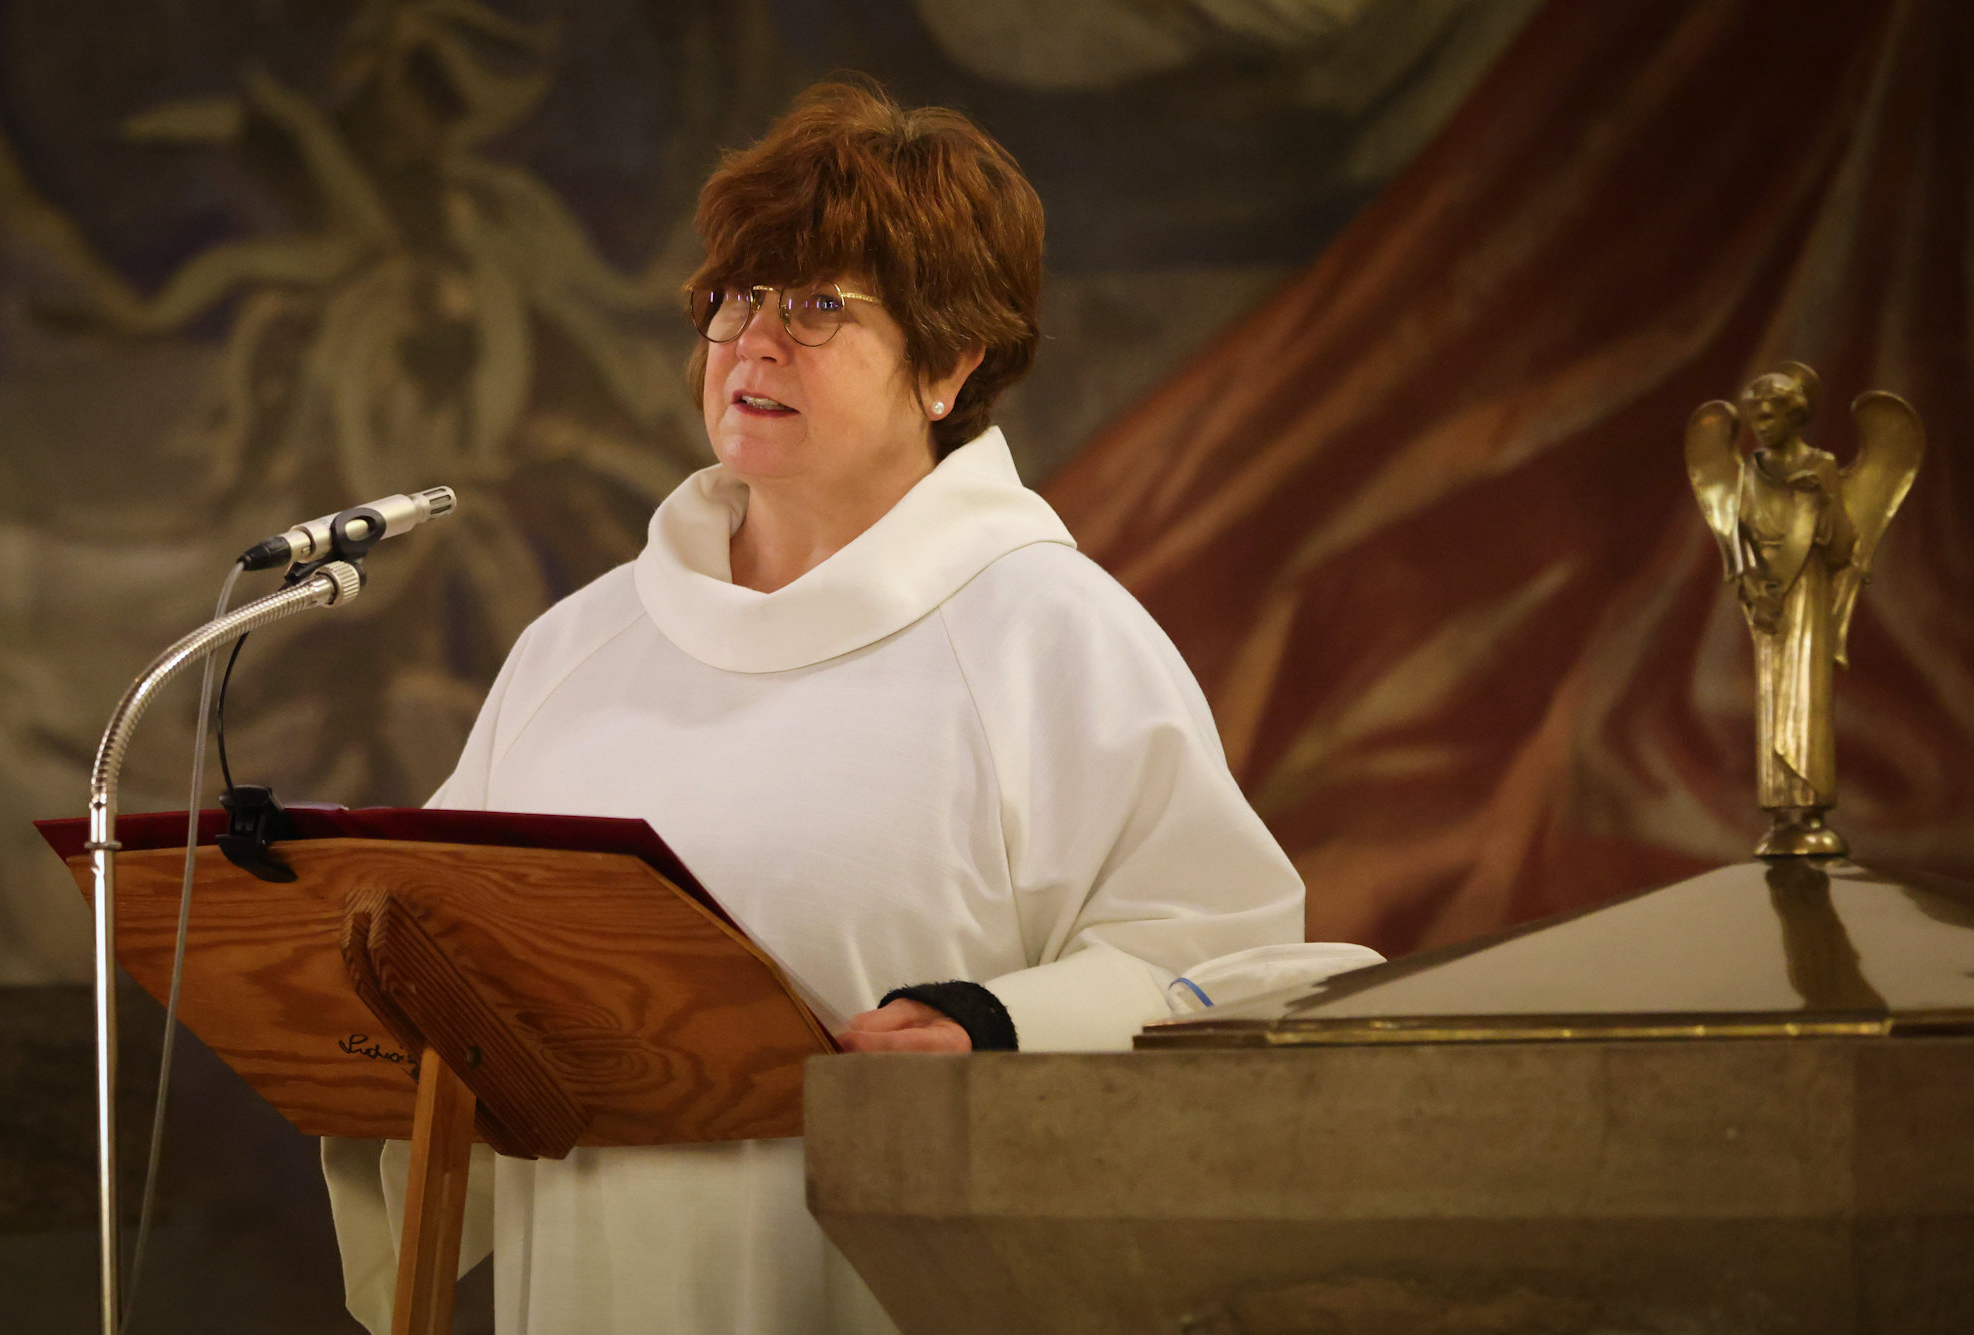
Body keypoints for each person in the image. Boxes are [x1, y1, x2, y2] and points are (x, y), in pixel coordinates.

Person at [323, 78, 1337, 1334]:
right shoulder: (578, 646)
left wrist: (995, 1027)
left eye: (815, 306)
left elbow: (1225, 963)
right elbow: (430, 953)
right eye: (735, 296)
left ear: (950, 363)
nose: (752, 342)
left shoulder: (1048, 635)